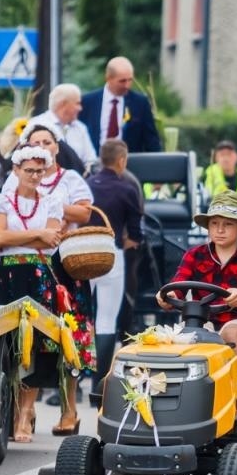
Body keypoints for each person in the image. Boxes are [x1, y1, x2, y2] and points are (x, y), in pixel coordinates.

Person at [5, 124, 97, 434]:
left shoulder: (69, 179)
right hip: (29, 266)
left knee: (67, 338)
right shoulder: (15, 181)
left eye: (47, 141)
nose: (43, 145)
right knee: (29, 340)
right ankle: (24, 412)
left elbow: (85, 214)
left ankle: (69, 410)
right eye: (36, 142)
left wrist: (46, 199)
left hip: (66, 266)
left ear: (56, 146)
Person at [162, 190, 237, 441]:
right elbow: (179, 283)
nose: (220, 230)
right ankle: (176, 411)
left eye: (227, 224)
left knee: (230, 334)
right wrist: (165, 297)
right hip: (201, 322)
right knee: (171, 344)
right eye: (214, 223)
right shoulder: (195, 254)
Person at [0, 145, 65, 442]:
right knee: (5, 342)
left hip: (38, 275)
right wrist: (37, 235)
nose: (34, 176)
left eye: (39, 171)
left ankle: (25, 413)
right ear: (16, 171)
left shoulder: (52, 201)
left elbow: (53, 240)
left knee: (35, 343)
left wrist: (18, 238)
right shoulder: (4, 200)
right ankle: (8, 410)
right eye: (28, 170)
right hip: (8, 274)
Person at [86, 139, 144, 402]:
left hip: (80, 252)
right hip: (110, 253)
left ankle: (76, 374)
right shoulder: (127, 188)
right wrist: (130, 241)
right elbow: (136, 232)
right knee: (106, 319)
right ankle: (99, 384)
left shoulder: (86, 185)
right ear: (122, 160)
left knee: (82, 315)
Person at [79, 56, 162, 154]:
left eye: (130, 80)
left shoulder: (140, 102)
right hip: (95, 161)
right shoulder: (88, 101)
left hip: (128, 163)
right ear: (108, 78)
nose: (127, 85)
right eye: (122, 81)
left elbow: (151, 140)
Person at [27, 83, 99, 171]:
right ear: (63, 104)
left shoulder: (80, 127)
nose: (80, 108)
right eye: (77, 103)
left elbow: (90, 160)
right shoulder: (37, 124)